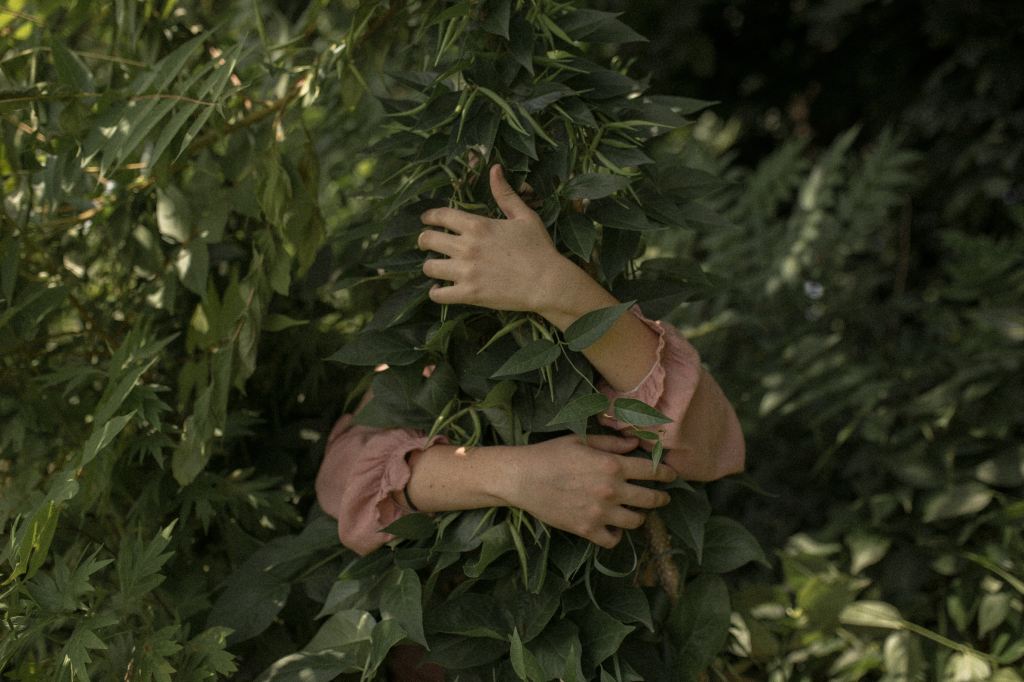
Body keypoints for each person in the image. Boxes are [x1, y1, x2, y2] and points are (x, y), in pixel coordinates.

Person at [316, 164, 745, 557]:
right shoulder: (435, 340)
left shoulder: (598, 292)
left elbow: (707, 443)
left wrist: (553, 285)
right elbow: (340, 474)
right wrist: (514, 476)